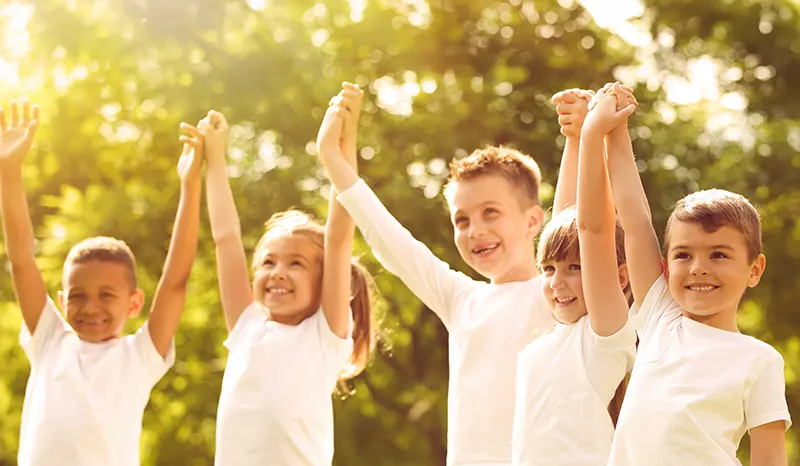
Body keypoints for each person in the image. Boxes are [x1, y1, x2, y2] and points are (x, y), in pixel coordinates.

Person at [320, 80, 560, 464]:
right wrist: (332, 154)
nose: (475, 230)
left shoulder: (557, 295)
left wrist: (583, 136)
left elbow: (578, 222)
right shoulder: (461, 298)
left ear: (533, 221)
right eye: (461, 220)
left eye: (490, 212)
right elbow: (387, 238)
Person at [595, 83, 792, 465]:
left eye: (719, 254)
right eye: (684, 255)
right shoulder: (659, 318)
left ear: (754, 270)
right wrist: (616, 130)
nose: (699, 267)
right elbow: (635, 222)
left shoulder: (760, 360)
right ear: (666, 268)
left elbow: (770, 459)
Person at [0, 99, 203, 466]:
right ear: (62, 301)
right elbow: (21, 258)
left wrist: (190, 186)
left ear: (134, 302)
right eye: (77, 296)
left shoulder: (139, 356)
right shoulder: (50, 340)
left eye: (106, 295)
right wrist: (8, 171)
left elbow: (175, 280)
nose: (90, 307)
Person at [207, 84, 379, 465]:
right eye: (268, 262)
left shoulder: (325, 335)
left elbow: (337, 237)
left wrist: (341, 145)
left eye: (295, 263)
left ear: (324, 282)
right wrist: (215, 159)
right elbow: (225, 238)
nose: (277, 273)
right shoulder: (246, 325)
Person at [511, 86, 637, 465]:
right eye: (548, 269)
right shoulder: (546, 341)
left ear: (619, 278)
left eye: (574, 269)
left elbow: (591, 230)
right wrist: (573, 139)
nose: (556, 282)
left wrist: (593, 135)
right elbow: (569, 221)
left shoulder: (604, 338)